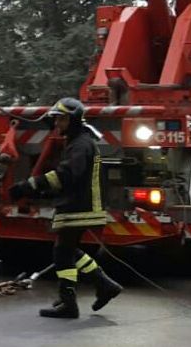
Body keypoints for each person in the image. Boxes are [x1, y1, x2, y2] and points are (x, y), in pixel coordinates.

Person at [7, 97, 123, 319]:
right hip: (78, 204)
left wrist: (28, 186)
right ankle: (104, 285)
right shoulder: (77, 141)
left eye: (61, 119)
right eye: (56, 119)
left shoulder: (81, 144)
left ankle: (70, 303)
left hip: (79, 207)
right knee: (68, 251)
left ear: (74, 120)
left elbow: (67, 175)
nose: (57, 124)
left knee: (62, 253)